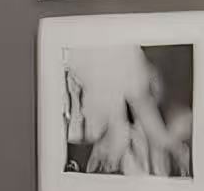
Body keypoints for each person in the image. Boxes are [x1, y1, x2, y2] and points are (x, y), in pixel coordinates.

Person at [63, 45, 191, 178]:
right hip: (73, 137)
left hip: (98, 144)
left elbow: (140, 100)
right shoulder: (73, 48)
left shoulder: (128, 51)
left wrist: (167, 143)